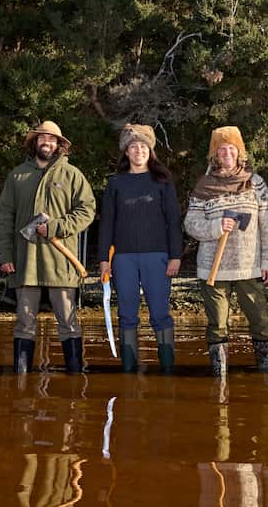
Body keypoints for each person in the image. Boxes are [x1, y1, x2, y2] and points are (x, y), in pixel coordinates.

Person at [0, 120, 96, 374]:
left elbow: (87, 211)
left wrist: (56, 227)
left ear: (59, 145)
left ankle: (75, 379)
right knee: (24, 323)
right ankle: (22, 381)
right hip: (24, 262)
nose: (47, 143)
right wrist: (4, 255)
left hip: (62, 262)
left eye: (52, 139)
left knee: (68, 322)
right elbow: (4, 218)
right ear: (34, 143)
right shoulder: (17, 176)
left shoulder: (72, 175)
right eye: (43, 138)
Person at [183, 126, 268, 376]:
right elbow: (190, 224)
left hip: (249, 266)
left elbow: (267, 225)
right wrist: (216, 226)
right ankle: (220, 378)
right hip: (213, 270)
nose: (226, 153)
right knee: (217, 325)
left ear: (239, 152)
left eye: (231, 148)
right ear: (214, 155)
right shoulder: (203, 186)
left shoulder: (255, 183)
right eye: (221, 149)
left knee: (261, 321)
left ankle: (265, 374)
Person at [96, 123, 182, 373]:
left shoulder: (163, 181)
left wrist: (175, 256)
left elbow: (173, 221)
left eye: (143, 146)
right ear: (126, 152)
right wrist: (104, 260)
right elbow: (107, 224)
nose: (138, 150)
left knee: (160, 314)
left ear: (150, 150)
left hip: (157, 257)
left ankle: (167, 370)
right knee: (127, 315)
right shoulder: (116, 184)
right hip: (123, 259)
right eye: (133, 146)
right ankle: (129, 370)